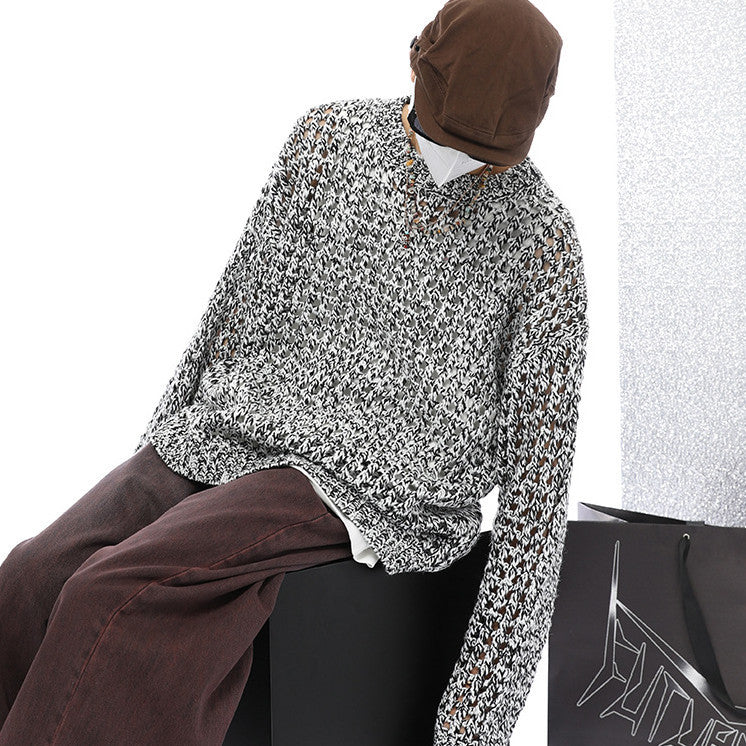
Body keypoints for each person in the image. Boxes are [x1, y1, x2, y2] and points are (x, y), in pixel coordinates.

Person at [0, 0, 589, 744]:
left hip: (373, 486)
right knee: (31, 575)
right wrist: (160, 449)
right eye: (447, 136)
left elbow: (539, 494)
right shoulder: (326, 140)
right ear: (416, 64)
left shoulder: (542, 242)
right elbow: (235, 310)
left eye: (486, 154)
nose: (460, 163)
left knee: (114, 596)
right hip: (236, 426)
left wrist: (475, 722)